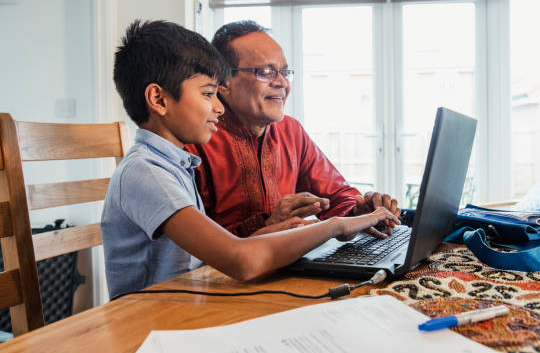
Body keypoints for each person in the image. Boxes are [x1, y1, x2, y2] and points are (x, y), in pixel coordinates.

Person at [101, 20, 399, 299]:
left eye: (284, 72)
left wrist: (354, 213)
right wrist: (334, 226)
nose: (217, 107)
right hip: (158, 318)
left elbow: (224, 255)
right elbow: (238, 258)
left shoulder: (175, 162)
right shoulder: (152, 170)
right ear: (159, 100)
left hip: (205, 296)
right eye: (208, 93)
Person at [186, 21, 400, 238]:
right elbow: (192, 246)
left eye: (284, 72)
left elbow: (338, 195)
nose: (281, 82)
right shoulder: (194, 140)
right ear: (223, 82)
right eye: (266, 71)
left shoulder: (290, 131)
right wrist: (267, 224)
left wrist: (359, 210)